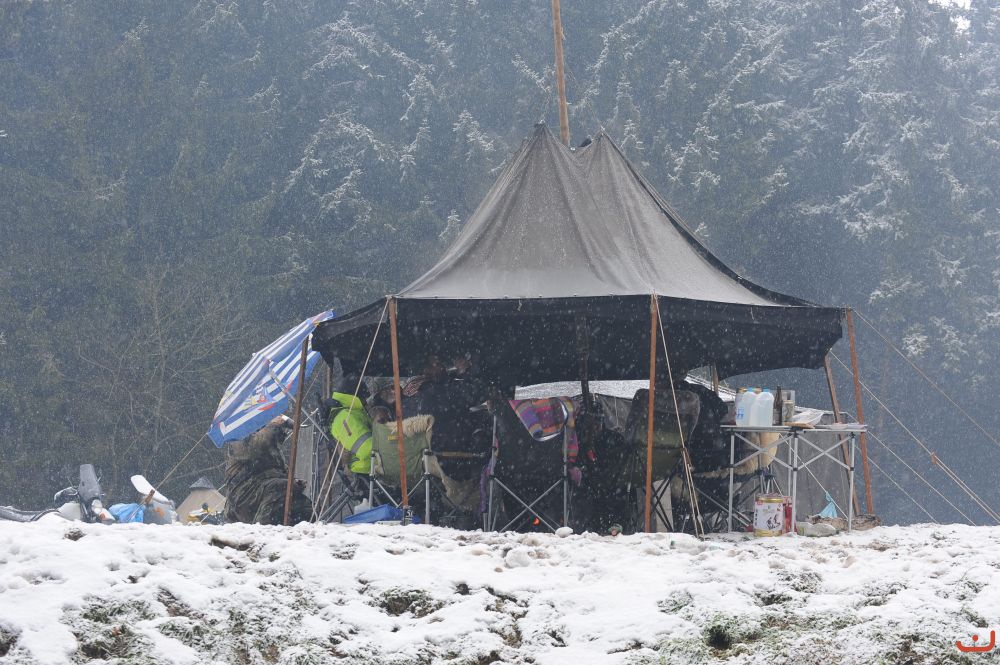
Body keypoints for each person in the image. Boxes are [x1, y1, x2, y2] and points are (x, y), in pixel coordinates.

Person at [224, 415, 312, 525]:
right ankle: (262, 528)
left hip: (264, 491)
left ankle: (309, 528)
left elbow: (278, 468)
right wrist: (272, 426)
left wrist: (293, 481)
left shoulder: (270, 446)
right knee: (279, 488)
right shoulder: (237, 436)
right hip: (244, 496)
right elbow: (254, 448)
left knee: (300, 502)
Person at [327, 379, 375, 474]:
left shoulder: (349, 412)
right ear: (356, 396)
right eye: (364, 398)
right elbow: (367, 449)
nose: (366, 402)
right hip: (369, 466)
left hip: (372, 465)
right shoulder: (346, 418)